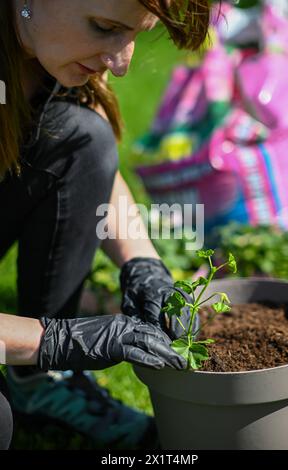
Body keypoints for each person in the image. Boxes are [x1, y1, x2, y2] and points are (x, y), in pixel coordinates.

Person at [0, 0, 210, 450]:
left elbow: (87, 161)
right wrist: (53, 340)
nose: (120, 64)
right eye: (103, 27)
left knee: (83, 134)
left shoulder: (41, 59)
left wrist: (144, 267)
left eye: (133, 36)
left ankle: (38, 382)